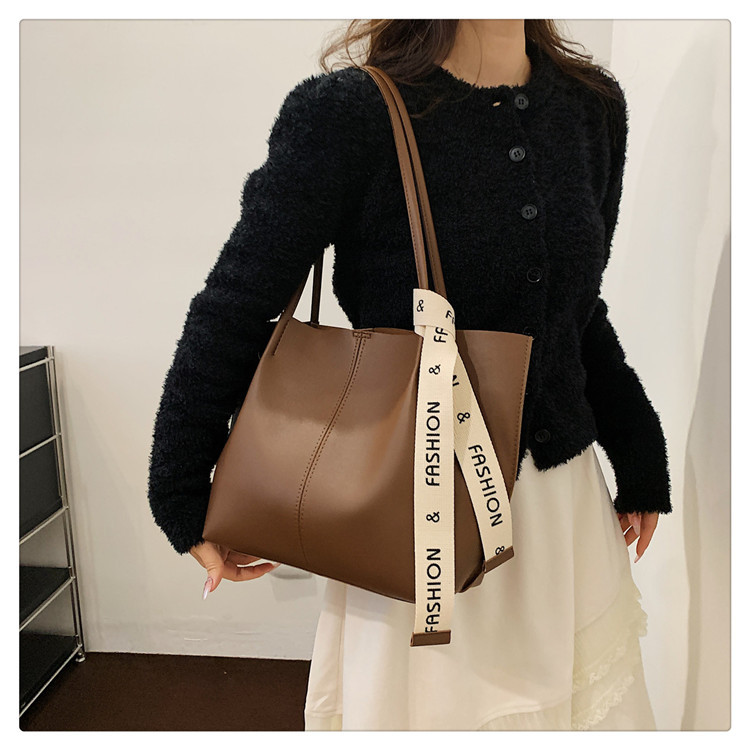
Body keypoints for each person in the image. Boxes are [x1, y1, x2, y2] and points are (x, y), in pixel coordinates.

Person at [148, 19, 672, 730]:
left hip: (560, 513)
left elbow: (575, 309)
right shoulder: (349, 114)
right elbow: (239, 300)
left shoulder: (591, 108)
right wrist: (181, 485)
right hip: (413, 508)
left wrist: (637, 451)